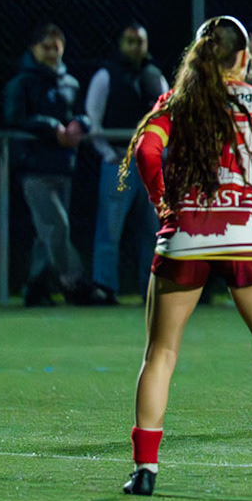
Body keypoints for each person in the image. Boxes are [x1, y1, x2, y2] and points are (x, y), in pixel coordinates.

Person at [120, 16, 252, 498]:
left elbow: (148, 152)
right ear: (243, 59)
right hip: (248, 234)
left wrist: (159, 199)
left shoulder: (175, 101)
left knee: (161, 355)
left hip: (186, 233)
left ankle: (145, 469)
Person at [3, 23, 95, 306]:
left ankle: (35, 288)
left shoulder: (70, 83)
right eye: (46, 47)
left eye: (56, 48)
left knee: (46, 234)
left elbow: (82, 114)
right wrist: (52, 127)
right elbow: (14, 117)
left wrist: (81, 124)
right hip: (35, 167)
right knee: (57, 226)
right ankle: (75, 282)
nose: (52, 53)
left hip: (63, 166)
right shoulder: (22, 82)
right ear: (34, 48)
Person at [85, 22, 169, 303]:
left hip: (149, 164)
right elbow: (92, 119)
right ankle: (105, 286)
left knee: (152, 229)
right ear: (121, 44)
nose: (135, 47)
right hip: (117, 161)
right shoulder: (105, 76)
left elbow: (166, 119)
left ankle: (151, 287)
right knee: (109, 227)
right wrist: (108, 153)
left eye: (140, 42)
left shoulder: (155, 77)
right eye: (130, 41)